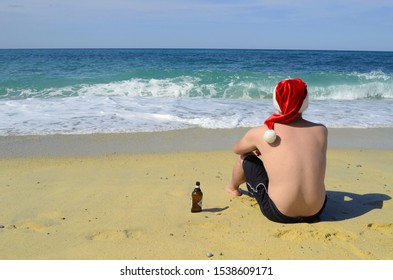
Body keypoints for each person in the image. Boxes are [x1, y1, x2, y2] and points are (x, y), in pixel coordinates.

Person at [225, 78, 327, 223]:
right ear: (305, 102)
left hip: (279, 212)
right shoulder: (321, 130)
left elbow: (237, 149)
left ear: (277, 102)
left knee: (244, 157)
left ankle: (232, 188)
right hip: (317, 211)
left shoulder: (263, 132)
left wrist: (258, 145)